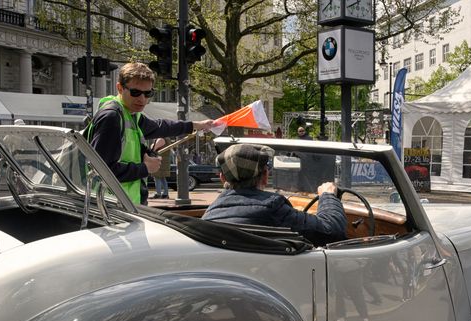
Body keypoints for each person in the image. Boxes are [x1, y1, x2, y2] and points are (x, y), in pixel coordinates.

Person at [87, 62, 213, 204]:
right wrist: (145, 168)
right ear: (120, 88)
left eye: (148, 93)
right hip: (110, 207)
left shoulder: (131, 114)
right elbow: (100, 169)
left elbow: (160, 126)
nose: (142, 99)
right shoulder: (112, 117)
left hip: (124, 204)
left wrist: (195, 125)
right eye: (135, 92)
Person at [202, 143, 347, 246]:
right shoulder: (272, 208)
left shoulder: (210, 214)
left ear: (222, 178)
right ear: (265, 176)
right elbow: (332, 232)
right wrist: (328, 196)